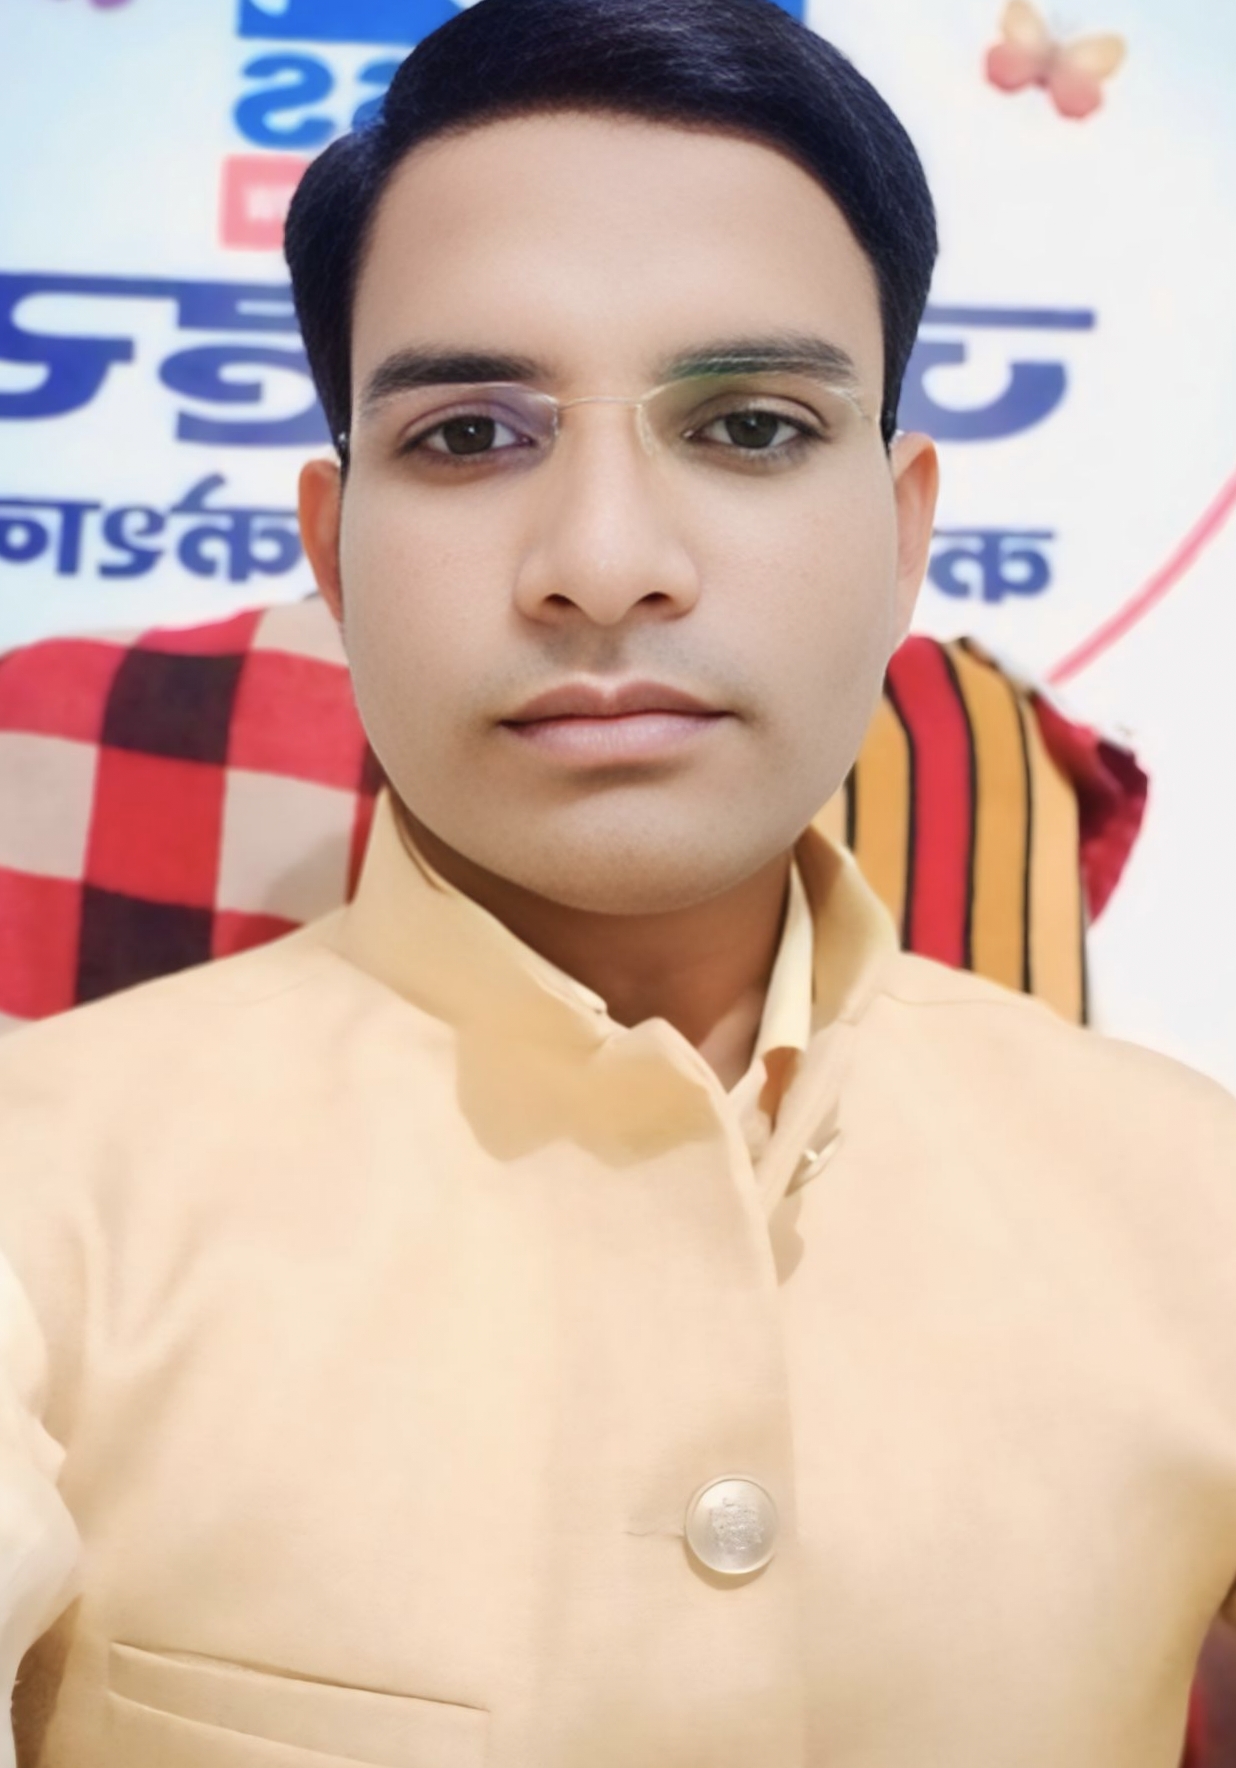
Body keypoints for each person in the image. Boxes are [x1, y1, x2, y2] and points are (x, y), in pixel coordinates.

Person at [0, 0, 1234, 1762]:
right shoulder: (37, 1188)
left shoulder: (1195, 1199)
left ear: (903, 535)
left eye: (750, 427)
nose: (601, 562)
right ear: (331, 555)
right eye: (468, 437)